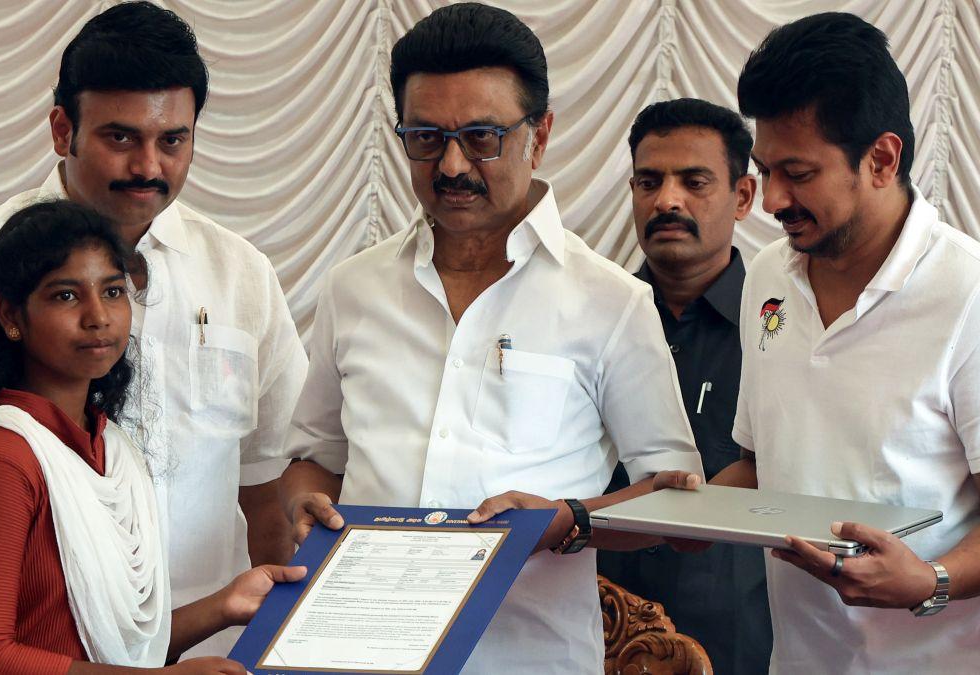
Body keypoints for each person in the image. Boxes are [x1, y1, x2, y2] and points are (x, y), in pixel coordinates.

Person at [278, 4, 703, 673]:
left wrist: (568, 520)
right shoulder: (352, 288)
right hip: (357, 650)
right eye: (425, 137)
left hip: (525, 656)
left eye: (481, 137)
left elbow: (674, 497)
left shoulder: (611, 301)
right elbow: (315, 456)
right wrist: (303, 504)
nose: (451, 165)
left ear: (540, 135)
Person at [0, 2, 307, 656]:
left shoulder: (240, 272)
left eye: (173, 140)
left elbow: (267, 482)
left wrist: (271, 647)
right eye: (121, 138)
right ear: (62, 130)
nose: (149, 166)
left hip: (208, 650)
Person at [667, 12, 980, 674]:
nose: (772, 199)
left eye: (798, 172)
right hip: (799, 658)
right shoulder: (768, 278)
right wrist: (695, 510)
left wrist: (929, 581)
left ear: (881, 159)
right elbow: (765, 465)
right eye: (765, 170)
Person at [0, 200, 306, 674]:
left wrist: (225, 604)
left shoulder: (109, 446)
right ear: (11, 316)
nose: (98, 316)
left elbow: (110, 651)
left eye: (113, 291)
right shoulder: (0, 459)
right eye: (66, 296)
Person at [596, 98, 769, 674]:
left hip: (737, 635)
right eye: (649, 182)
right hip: (590, 627)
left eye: (694, 182)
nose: (667, 201)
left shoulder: (781, 329)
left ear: (743, 196)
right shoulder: (588, 320)